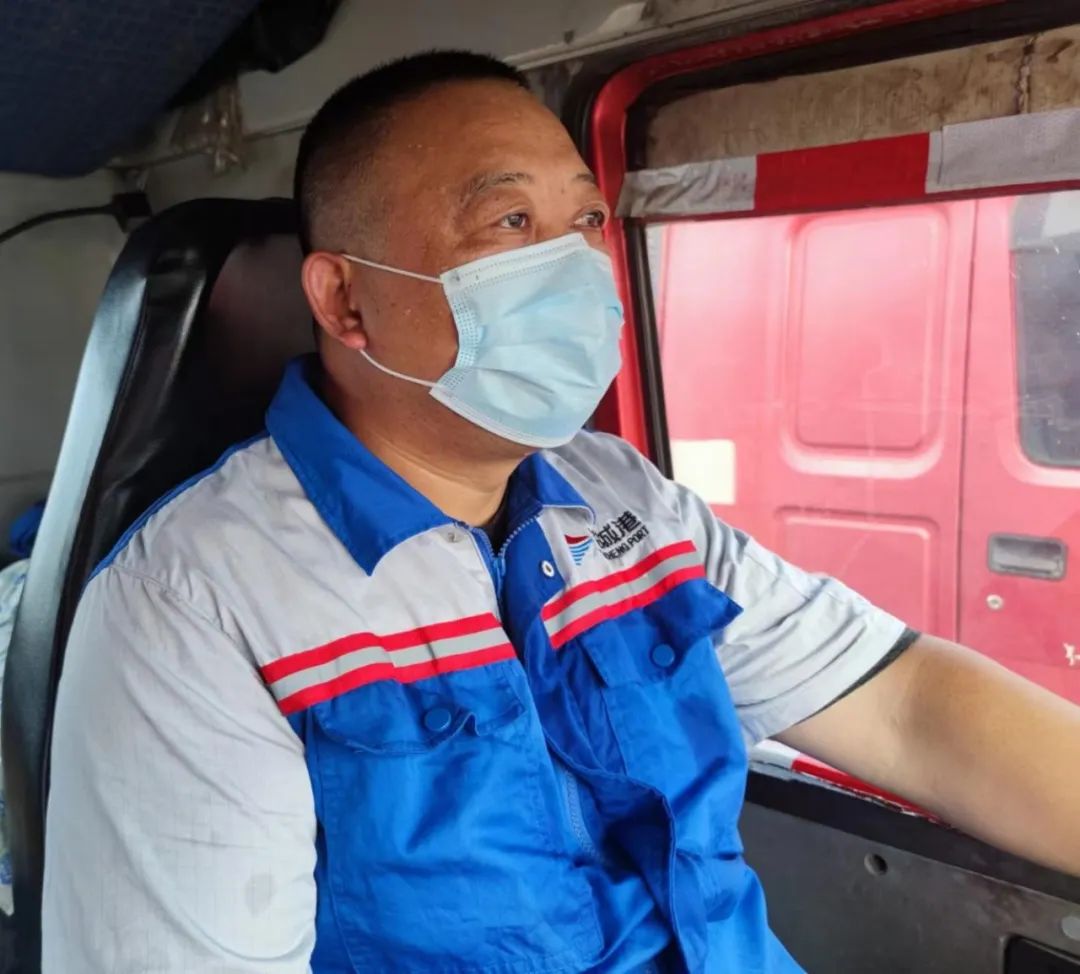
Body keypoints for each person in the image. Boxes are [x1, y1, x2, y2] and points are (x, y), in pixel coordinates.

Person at [42, 50, 1080, 974]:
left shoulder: (624, 496)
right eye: (510, 223)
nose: (577, 265)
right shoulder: (194, 604)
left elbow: (904, 705)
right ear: (347, 301)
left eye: (585, 219)